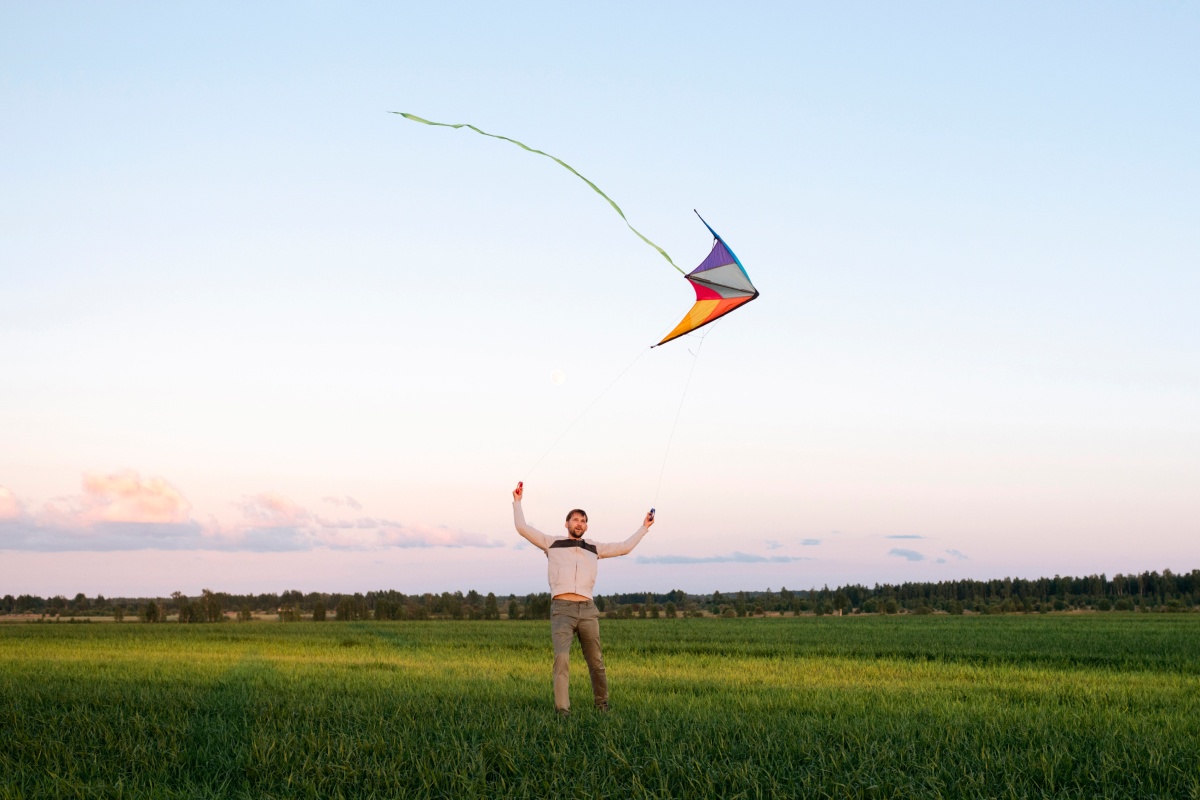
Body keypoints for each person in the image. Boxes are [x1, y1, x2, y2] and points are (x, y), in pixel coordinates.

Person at [512, 482, 654, 716]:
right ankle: (563, 711)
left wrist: (644, 527)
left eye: (583, 520)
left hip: (588, 609)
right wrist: (517, 502)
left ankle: (602, 705)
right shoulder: (552, 543)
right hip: (562, 609)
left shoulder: (593, 548)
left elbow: (625, 547)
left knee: (596, 661)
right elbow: (522, 528)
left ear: (586, 526)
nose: (580, 523)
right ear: (567, 523)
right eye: (576, 519)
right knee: (562, 659)